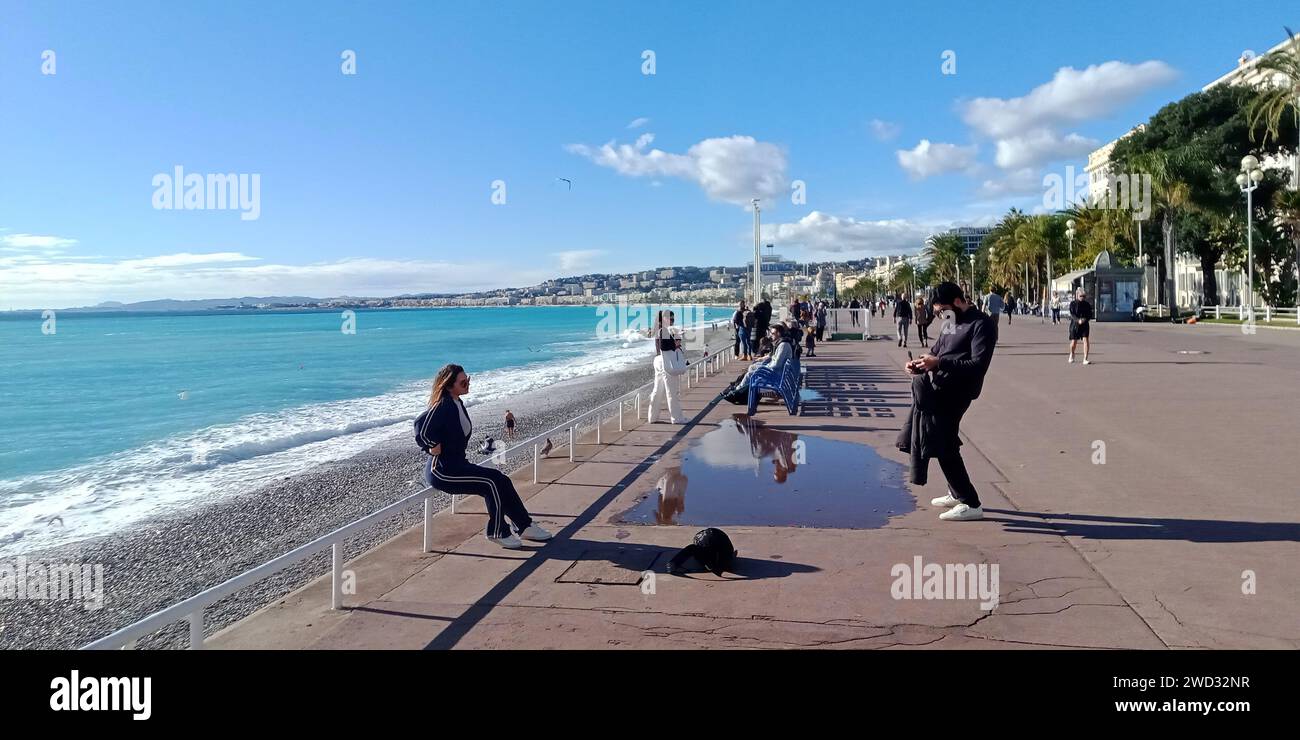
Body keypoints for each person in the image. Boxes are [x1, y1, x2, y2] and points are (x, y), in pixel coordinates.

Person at [415, 364, 554, 549]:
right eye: (463, 382)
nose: (467, 384)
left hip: (458, 465)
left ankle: (524, 525)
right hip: (442, 470)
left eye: (468, 380)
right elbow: (420, 427)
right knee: (491, 484)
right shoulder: (443, 405)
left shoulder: (457, 402)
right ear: (449, 385)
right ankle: (498, 532)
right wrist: (431, 447)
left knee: (501, 480)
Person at [898, 282, 997, 522]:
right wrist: (920, 363)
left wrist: (939, 363)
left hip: (960, 390)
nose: (942, 316)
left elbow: (978, 365)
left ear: (957, 301)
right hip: (939, 387)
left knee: (943, 444)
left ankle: (970, 502)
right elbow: (936, 350)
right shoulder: (951, 322)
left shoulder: (981, 324)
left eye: (943, 310)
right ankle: (956, 492)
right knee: (942, 440)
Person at [648, 309, 687, 423]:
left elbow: (661, 347)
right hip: (666, 361)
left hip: (658, 360)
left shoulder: (658, 329)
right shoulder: (663, 331)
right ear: (664, 318)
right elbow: (664, 347)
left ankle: (652, 417)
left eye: (673, 319)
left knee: (657, 390)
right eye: (671, 319)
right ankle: (677, 418)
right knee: (671, 391)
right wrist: (677, 342)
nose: (673, 321)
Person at [1068, 287, 1094, 365]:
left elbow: (1090, 314)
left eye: (1084, 296)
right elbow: (1072, 314)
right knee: (1074, 342)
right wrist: (1077, 320)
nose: (1082, 298)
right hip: (1075, 325)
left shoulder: (1087, 304)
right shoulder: (1073, 304)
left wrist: (1085, 319)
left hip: (1084, 324)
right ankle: (1072, 353)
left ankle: (1085, 358)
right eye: (1081, 296)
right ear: (1077, 295)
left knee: (1085, 340)